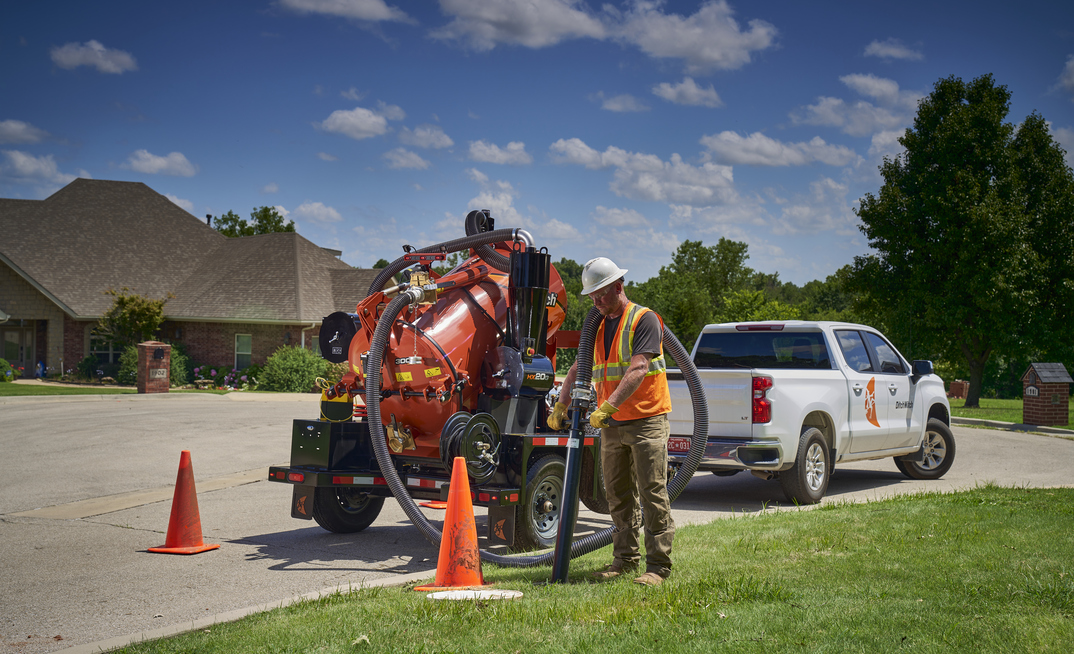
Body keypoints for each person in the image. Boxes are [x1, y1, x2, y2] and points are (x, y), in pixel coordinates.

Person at [547, 257, 674, 586]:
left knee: (652, 493)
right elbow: (578, 367)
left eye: (601, 294)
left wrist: (606, 408)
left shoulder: (644, 319)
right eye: (591, 296)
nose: (596, 301)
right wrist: (560, 405)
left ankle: (658, 567)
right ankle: (624, 560)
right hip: (614, 425)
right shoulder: (597, 324)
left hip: (645, 420)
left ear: (619, 287)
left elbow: (638, 368)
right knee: (617, 495)